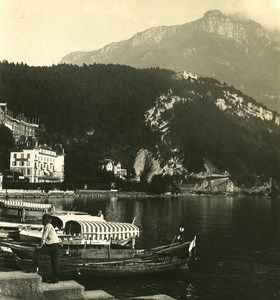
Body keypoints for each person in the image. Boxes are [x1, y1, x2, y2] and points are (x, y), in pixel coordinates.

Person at [33, 214, 60, 284]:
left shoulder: (47, 226)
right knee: (54, 262)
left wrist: (40, 246)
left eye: (42, 220)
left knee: (37, 251)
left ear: (45, 220)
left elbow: (43, 238)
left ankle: (36, 267)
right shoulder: (51, 226)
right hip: (56, 246)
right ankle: (55, 279)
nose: (41, 221)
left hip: (52, 245)